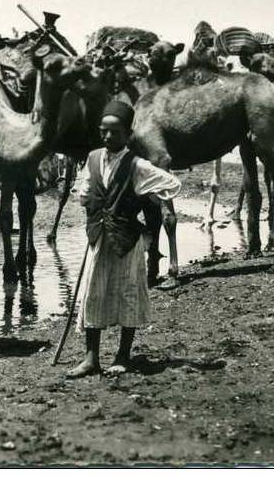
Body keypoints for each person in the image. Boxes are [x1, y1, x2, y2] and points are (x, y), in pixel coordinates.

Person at [66, 100, 181, 378]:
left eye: (114, 132)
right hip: (99, 237)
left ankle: (122, 355)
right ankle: (91, 358)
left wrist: (144, 196)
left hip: (127, 239)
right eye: (103, 131)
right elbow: (84, 190)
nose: (107, 137)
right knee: (93, 292)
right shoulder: (93, 158)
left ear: (128, 134)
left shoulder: (137, 164)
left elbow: (172, 184)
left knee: (128, 292)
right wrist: (88, 200)